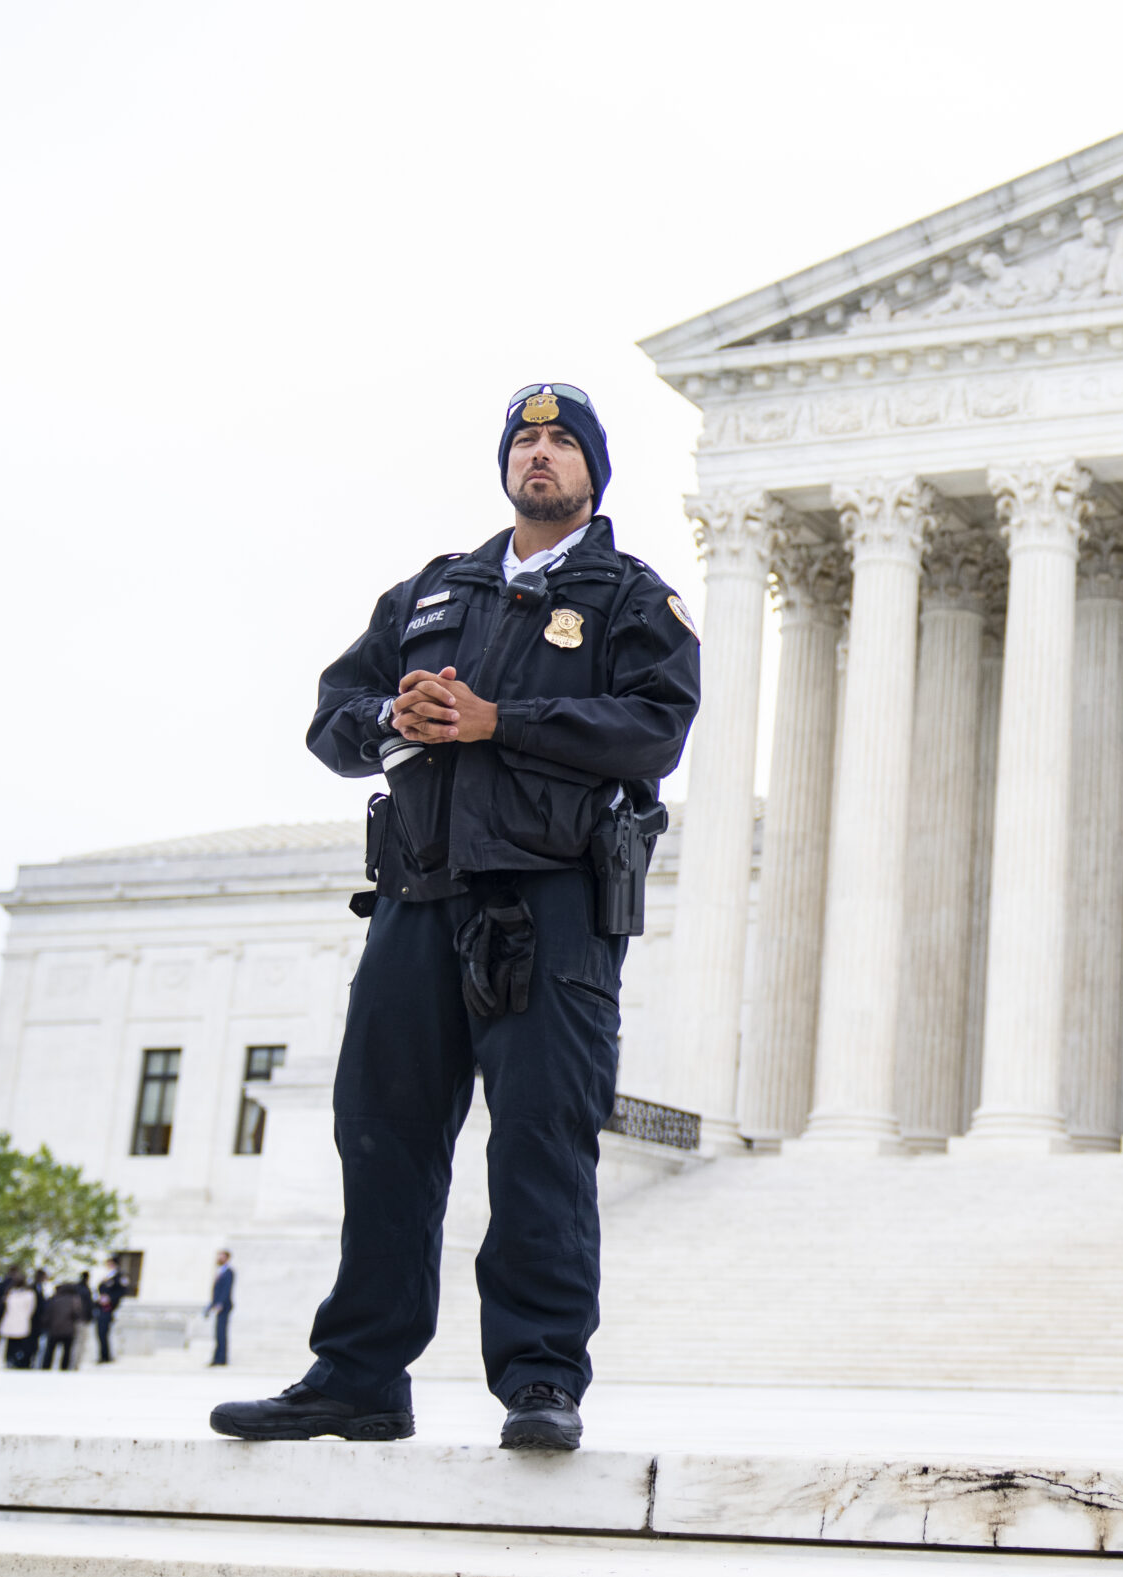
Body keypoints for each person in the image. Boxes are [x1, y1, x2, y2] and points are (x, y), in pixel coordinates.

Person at [211, 384, 699, 1454]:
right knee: (380, 1134)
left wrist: (498, 721)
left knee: (540, 1139)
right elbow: (330, 721)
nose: (540, 454)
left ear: (592, 472)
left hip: (552, 902)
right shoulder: (433, 593)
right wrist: (395, 714)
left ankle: (538, 1377)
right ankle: (357, 1377)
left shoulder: (629, 599)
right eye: (525, 440)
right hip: (419, 896)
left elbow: (653, 729)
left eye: (562, 441)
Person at [40, 1274, 91, 1370]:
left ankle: (46, 1367)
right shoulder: (74, 1300)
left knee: (50, 1350)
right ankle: (64, 1367)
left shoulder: (54, 1299)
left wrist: (46, 1325)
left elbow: (48, 1313)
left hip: (54, 1329)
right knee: (67, 1351)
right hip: (68, 1329)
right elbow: (77, 1314)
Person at [0, 1269, 40, 1368]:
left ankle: (10, 1360)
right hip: (21, 1321)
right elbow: (31, 1309)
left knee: (11, 1344)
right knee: (19, 1344)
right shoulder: (28, 1294)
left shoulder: (10, 1293)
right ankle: (15, 1360)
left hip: (12, 1321)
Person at [94, 1258, 129, 1364]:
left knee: (105, 1331)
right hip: (102, 1308)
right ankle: (103, 1355)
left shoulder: (119, 1276)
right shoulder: (106, 1276)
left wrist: (110, 1299)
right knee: (100, 1332)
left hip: (110, 1308)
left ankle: (107, 1356)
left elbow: (122, 1291)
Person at [205, 1251, 234, 1367]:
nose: (219, 1258)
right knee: (218, 1333)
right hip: (217, 1306)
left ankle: (221, 1359)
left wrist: (220, 1303)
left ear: (227, 1258)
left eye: (221, 1256)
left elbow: (227, 1289)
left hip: (224, 1307)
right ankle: (217, 1358)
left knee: (221, 1333)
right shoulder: (220, 1271)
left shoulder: (229, 1272)